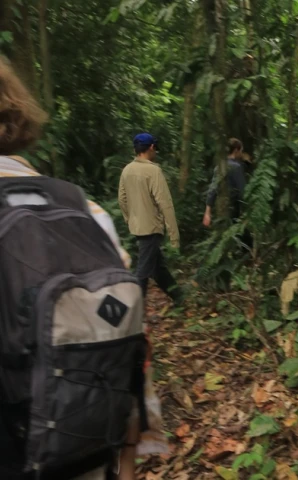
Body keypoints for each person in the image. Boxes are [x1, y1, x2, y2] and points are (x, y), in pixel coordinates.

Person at [0, 56, 166, 480]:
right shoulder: (80, 206)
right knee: (143, 276)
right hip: (84, 453)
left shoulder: (126, 173)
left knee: (149, 271)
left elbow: (126, 203)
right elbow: (124, 348)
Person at [118, 133, 183, 303]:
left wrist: (130, 219)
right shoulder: (153, 171)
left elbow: (122, 200)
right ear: (152, 147)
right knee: (143, 271)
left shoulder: (127, 170)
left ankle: (179, 297)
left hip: (138, 227)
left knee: (157, 268)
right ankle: (135, 313)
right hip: (151, 228)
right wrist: (174, 235)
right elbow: (165, 204)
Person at [203, 137, 248, 226]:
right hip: (234, 209)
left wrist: (207, 212)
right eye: (241, 151)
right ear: (236, 150)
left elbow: (212, 190)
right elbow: (243, 191)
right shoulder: (236, 167)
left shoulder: (218, 167)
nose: (241, 154)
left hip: (221, 209)